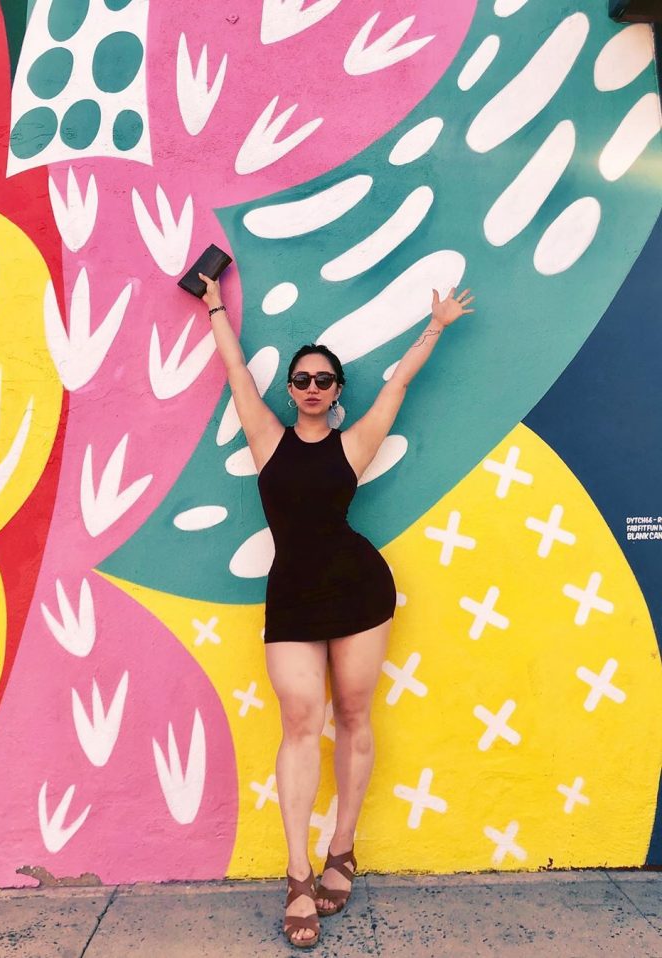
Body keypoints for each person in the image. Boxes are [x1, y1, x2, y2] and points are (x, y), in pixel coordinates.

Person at [199, 271, 474, 948]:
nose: (313, 387)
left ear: (337, 390)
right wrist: (214, 305)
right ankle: (298, 875)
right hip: (292, 596)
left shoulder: (354, 445)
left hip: (358, 591)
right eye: (303, 379)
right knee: (300, 720)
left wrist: (435, 326)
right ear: (291, 390)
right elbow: (236, 371)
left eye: (325, 379)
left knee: (352, 714)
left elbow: (398, 386)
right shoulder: (266, 437)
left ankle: (341, 850)